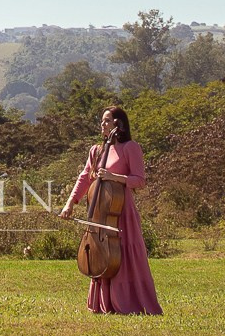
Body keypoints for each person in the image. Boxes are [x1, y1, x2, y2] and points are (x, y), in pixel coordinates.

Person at [57, 106, 161, 315]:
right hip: (100, 211)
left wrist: (114, 177)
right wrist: (70, 203)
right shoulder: (96, 151)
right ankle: (102, 302)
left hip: (122, 211)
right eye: (102, 121)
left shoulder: (130, 147)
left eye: (107, 120)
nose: (102, 124)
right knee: (101, 253)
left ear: (118, 124)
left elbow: (139, 181)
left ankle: (129, 301)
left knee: (124, 255)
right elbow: (85, 177)